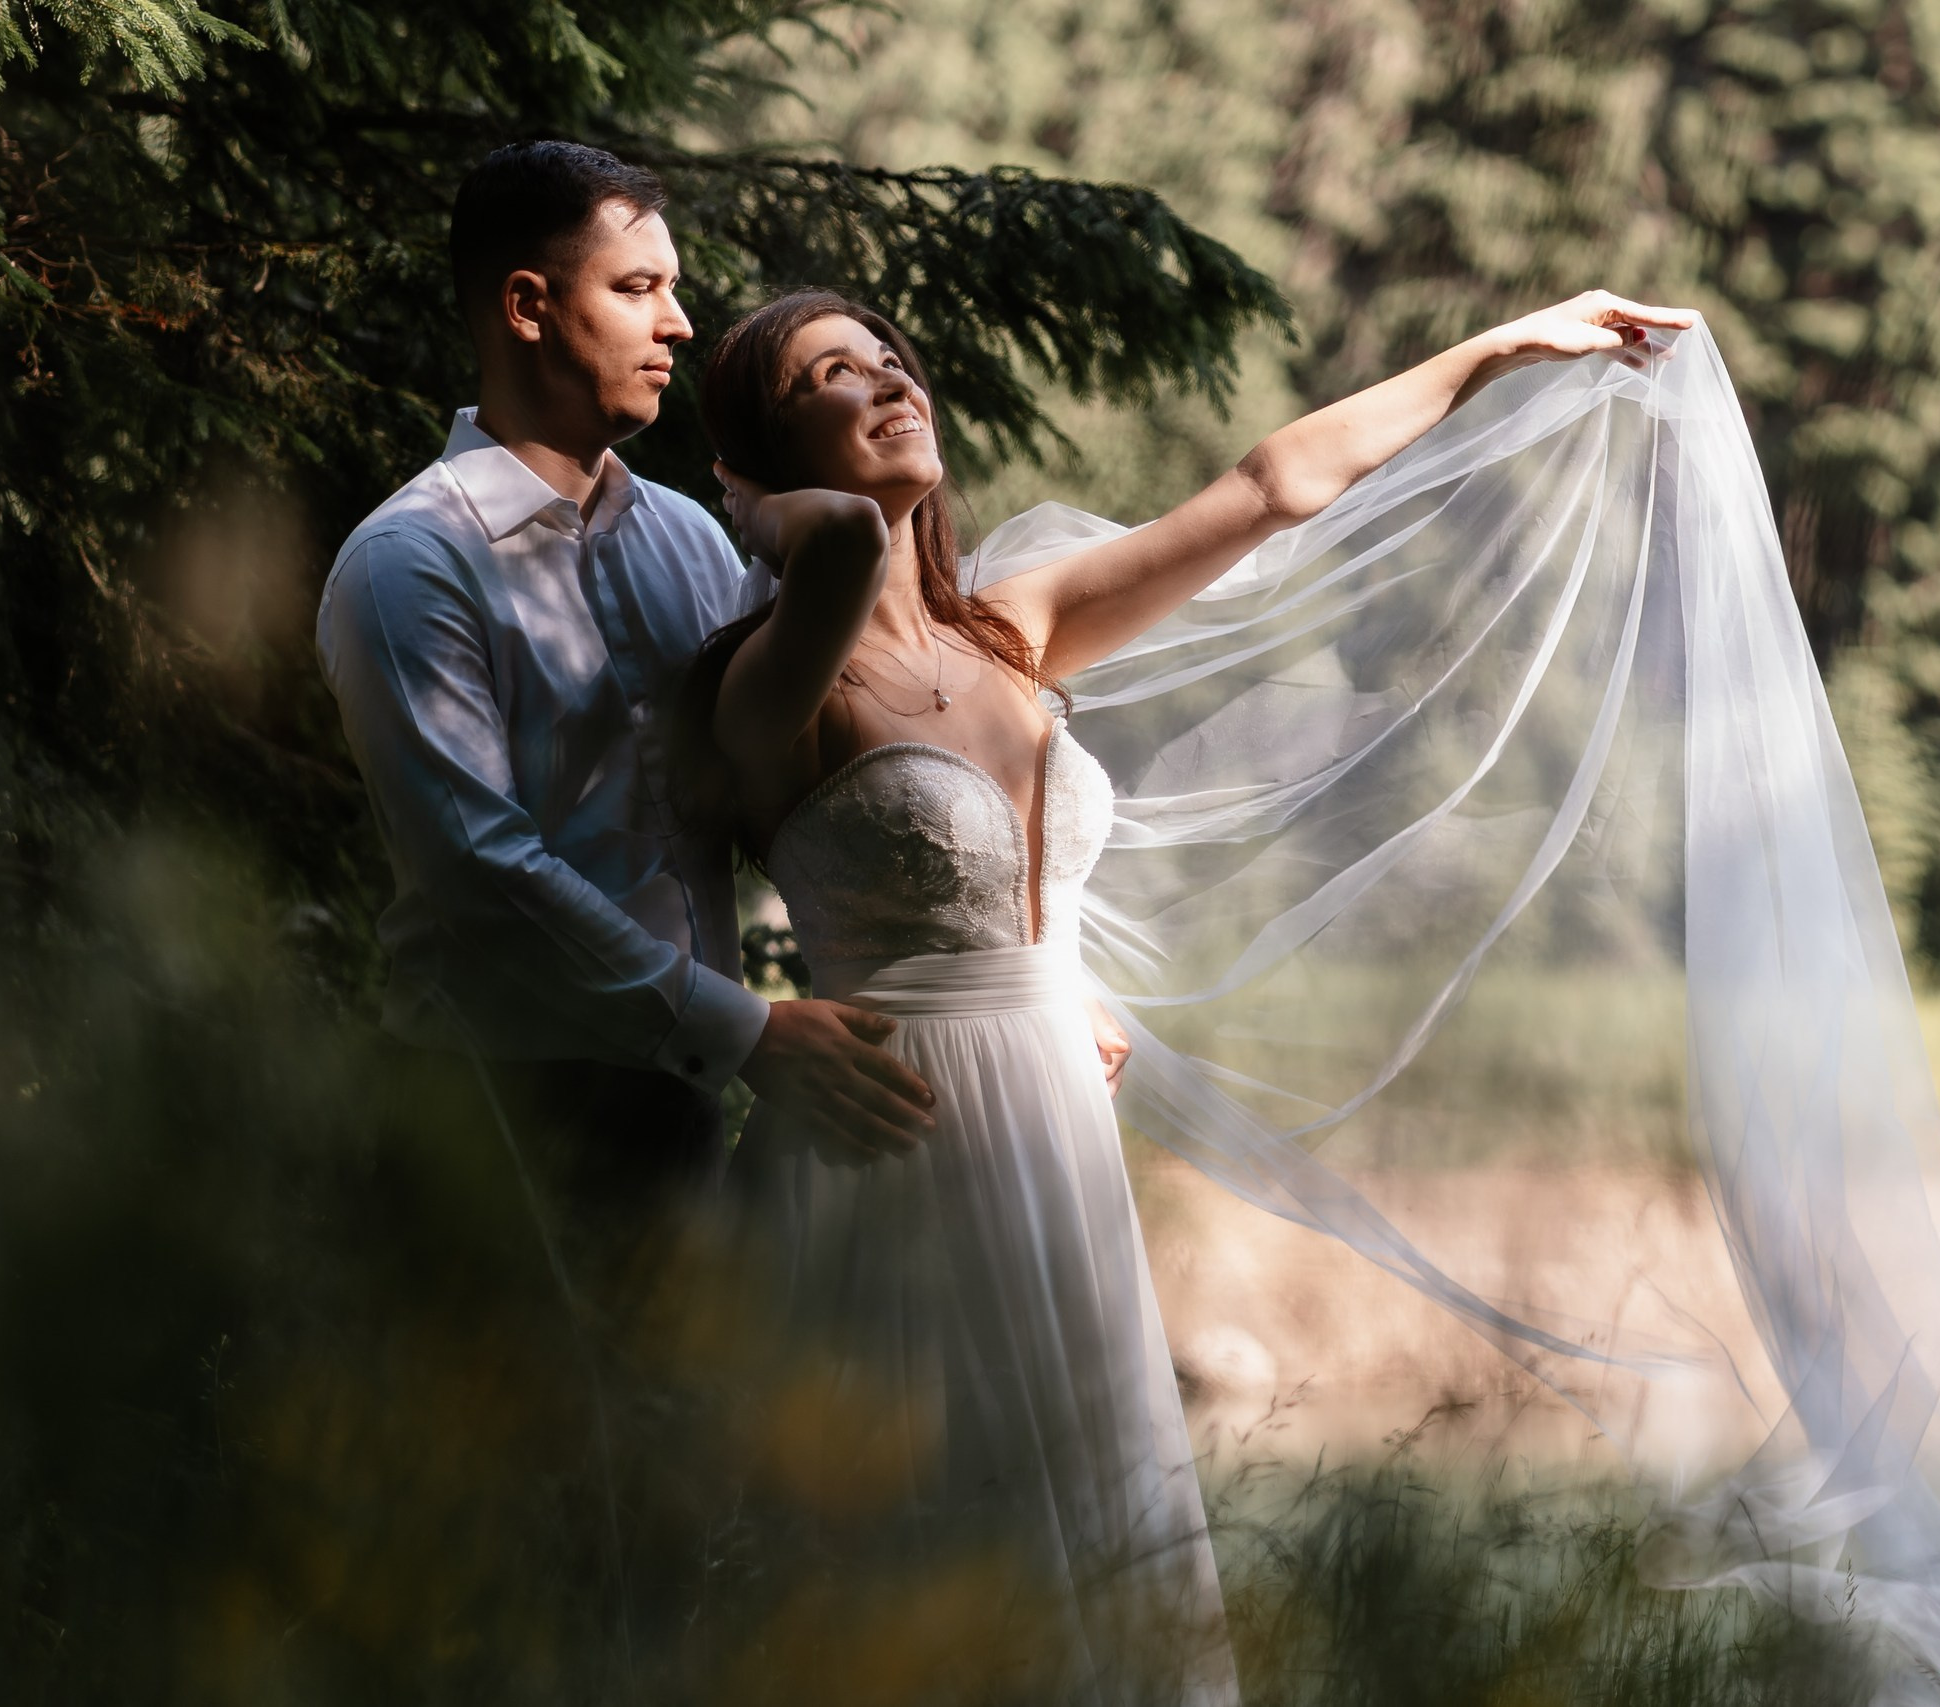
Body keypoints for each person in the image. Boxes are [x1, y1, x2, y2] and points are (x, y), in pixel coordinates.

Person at [679, 285, 1697, 1704]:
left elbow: (1268, 487)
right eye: (829, 379)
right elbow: (844, 543)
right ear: (768, 459)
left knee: (1093, 1545)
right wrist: (752, 505)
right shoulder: (771, 680)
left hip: (1052, 1134)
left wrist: (1499, 346)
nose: (890, 383)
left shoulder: (1010, 638)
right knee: (920, 1557)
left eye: (895, 359)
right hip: (889, 1142)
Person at [315, 143, 935, 1243]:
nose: (680, 324)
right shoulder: (408, 564)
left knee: (681, 1419)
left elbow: (814, 757)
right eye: (639, 288)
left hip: (684, 1104)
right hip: (495, 1115)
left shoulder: (694, 539)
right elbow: (481, 873)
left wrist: (998, 985)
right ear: (526, 306)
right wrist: (746, 1036)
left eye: (676, 289)